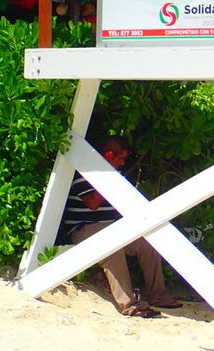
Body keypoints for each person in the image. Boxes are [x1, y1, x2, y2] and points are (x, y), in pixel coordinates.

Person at [60, 135, 180, 318]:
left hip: (110, 226)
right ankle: (129, 305)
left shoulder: (117, 175)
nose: (123, 163)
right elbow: (93, 203)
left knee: (146, 242)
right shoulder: (84, 172)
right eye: (121, 158)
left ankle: (158, 295)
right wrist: (108, 176)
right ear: (109, 155)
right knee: (111, 247)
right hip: (83, 229)